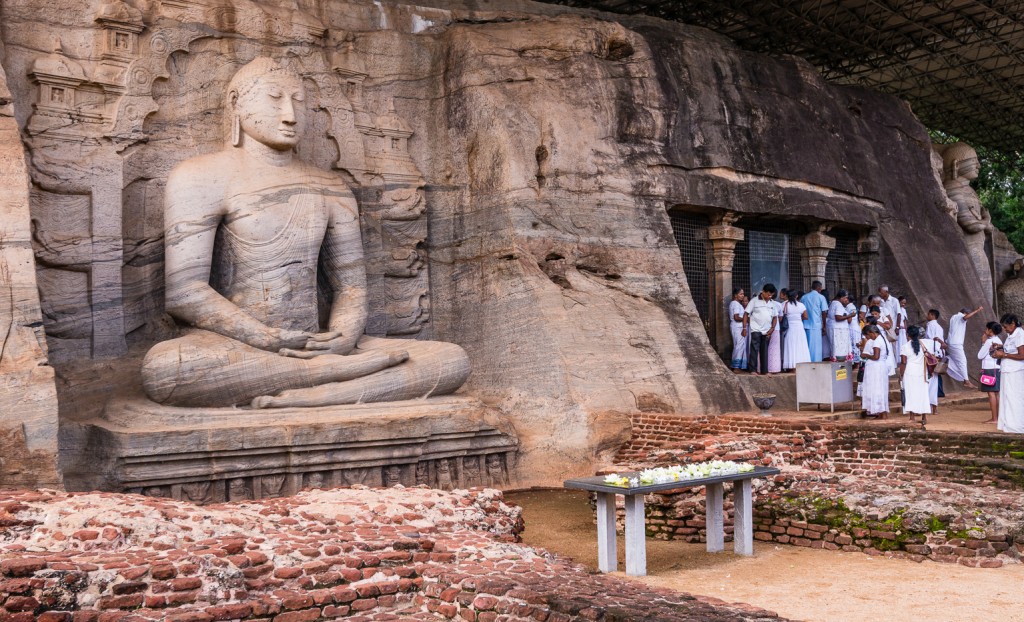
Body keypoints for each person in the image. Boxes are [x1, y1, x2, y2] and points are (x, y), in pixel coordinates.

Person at [140, 58, 470, 408]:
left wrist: (341, 339)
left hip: (318, 344)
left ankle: (315, 390)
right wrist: (264, 337)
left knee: (452, 360)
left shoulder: (330, 186)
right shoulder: (200, 176)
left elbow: (352, 286)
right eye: (274, 97)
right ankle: (330, 377)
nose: (290, 114)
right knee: (165, 370)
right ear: (236, 102)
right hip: (234, 345)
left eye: (299, 100)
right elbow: (184, 293)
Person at [993, 314, 1024, 433]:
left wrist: (1004, 355)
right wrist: (1000, 348)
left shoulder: (1020, 335)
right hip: (1007, 370)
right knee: (1006, 397)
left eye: (1006, 327)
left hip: (1016, 371)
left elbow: (1022, 355)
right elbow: (1011, 349)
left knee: (1015, 398)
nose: (1004, 329)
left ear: (1013, 324)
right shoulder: (1010, 335)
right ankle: (1009, 424)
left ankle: (1017, 426)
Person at [899, 325, 932, 427]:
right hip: (921, 372)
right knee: (923, 393)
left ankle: (912, 416)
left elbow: (903, 362)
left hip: (909, 371)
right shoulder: (923, 344)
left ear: (907, 334)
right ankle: (924, 417)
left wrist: (901, 375)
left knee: (910, 393)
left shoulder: (905, 347)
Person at [744, 284, 778, 376]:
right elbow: (746, 313)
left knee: (765, 350)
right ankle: (753, 370)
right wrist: (744, 328)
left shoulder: (772, 303)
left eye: (771, 295)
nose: (769, 296)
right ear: (763, 291)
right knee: (754, 349)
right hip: (755, 329)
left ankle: (765, 370)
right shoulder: (754, 301)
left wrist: (772, 328)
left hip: (767, 330)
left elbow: (775, 317)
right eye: (768, 294)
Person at [947, 306, 984, 389]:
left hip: (951, 343)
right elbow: (965, 317)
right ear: (966, 313)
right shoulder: (960, 317)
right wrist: (977, 310)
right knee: (962, 362)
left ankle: (945, 360)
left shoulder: (953, 317)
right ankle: (967, 381)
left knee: (958, 362)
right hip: (956, 344)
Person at [858, 324, 890, 418]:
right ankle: (881, 413)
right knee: (880, 389)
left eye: (868, 335)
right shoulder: (882, 339)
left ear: (872, 333)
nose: (868, 338)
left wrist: (866, 355)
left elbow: (876, 357)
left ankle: (882, 413)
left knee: (877, 389)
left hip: (876, 368)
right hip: (880, 367)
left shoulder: (876, 342)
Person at [978, 321, 1003, 424]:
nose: (985, 330)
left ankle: (994, 418)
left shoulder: (989, 341)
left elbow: (979, 356)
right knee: (997, 393)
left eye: (987, 329)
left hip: (989, 369)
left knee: (991, 394)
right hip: (997, 368)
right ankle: (998, 417)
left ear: (990, 330)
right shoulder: (999, 340)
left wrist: (983, 343)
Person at [782, 290, 811, 371]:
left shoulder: (784, 304)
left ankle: (791, 366)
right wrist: (798, 318)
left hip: (790, 327)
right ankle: (801, 365)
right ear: (796, 296)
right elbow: (806, 317)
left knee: (790, 345)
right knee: (800, 345)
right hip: (799, 327)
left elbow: (781, 315)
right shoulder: (801, 305)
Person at [802, 281, 828, 362]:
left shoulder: (804, 297)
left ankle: (807, 361)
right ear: (819, 288)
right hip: (816, 325)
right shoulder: (821, 297)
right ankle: (815, 363)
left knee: (807, 346)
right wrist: (824, 325)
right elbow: (824, 312)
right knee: (816, 348)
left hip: (805, 325)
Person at [827, 290, 854, 361]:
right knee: (839, 348)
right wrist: (850, 315)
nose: (846, 300)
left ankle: (837, 360)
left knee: (835, 347)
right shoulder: (838, 305)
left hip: (835, 328)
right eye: (845, 298)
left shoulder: (833, 303)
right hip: (838, 330)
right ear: (841, 297)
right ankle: (840, 361)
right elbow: (838, 317)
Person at [926, 309, 947, 398]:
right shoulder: (939, 326)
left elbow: (930, 339)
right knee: (936, 372)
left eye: (928, 314)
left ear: (932, 315)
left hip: (933, 351)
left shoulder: (930, 325)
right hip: (939, 351)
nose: (927, 316)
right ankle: (939, 391)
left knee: (932, 372)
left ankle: (936, 392)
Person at [729, 288, 747, 372]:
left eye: (743, 294)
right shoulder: (735, 304)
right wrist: (746, 319)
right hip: (738, 327)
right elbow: (736, 317)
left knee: (738, 345)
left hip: (737, 327)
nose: (742, 295)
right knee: (739, 346)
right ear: (735, 295)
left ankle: (734, 365)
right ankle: (736, 367)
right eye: (740, 294)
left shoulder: (736, 304)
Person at [767, 292, 784, 373]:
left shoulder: (765, 304)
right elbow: (780, 318)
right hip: (776, 328)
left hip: (765, 328)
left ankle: (764, 367)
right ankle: (775, 368)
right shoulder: (778, 304)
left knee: (764, 348)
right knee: (775, 348)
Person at [846, 295, 861, 365]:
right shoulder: (852, 306)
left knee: (854, 346)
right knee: (855, 346)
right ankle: (856, 363)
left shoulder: (849, 307)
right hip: (855, 328)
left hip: (852, 329)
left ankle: (856, 364)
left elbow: (849, 320)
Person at [896, 296, 910, 360]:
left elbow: (905, 321)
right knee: (897, 345)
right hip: (897, 330)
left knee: (903, 345)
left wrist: (906, 332)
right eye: (902, 303)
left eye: (904, 303)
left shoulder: (904, 310)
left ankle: (903, 359)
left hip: (903, 330)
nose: (903, 304)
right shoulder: (896, 309)